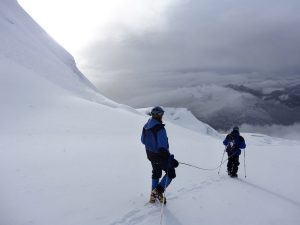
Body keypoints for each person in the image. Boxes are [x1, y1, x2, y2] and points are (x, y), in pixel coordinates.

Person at [141, 106, 179, 204]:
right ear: (158, 115)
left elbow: (142, 140)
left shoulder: (146, 126)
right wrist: (171, 160)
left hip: (150, 155)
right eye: (161, 114)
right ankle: (157, 192)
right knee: (171, 172)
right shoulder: (160, 129)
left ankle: (153, 196)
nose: (162, 116)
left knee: (156, 172)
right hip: (160, 156)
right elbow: (162, 148)